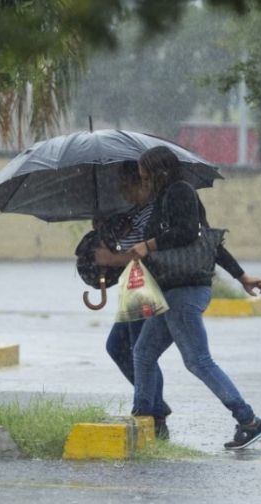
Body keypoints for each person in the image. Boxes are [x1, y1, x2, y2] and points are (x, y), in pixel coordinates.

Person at [127, 146, 261, 450]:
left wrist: (148, 245)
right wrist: (242, 276)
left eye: (146, 175)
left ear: (159, 171)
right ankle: (142, 418)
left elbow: (190, 234)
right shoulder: (164, 200)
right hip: (172, 290)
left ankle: (249, 420)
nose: (143, 181)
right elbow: (210, 242)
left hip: (186, 289)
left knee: (198, 361)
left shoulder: (180, 192)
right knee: (143, 352)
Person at [90, 161, 172, 438]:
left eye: (127, 186)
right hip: (134, 287)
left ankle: (154, 411)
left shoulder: (152, 213)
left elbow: (140, 253)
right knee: (119, 346)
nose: (123, 193)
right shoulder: (135, 213)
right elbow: (127, 246)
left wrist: (110, 258)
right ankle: (154, 403)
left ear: (143, 183)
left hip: (146, 287)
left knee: (141, 352)